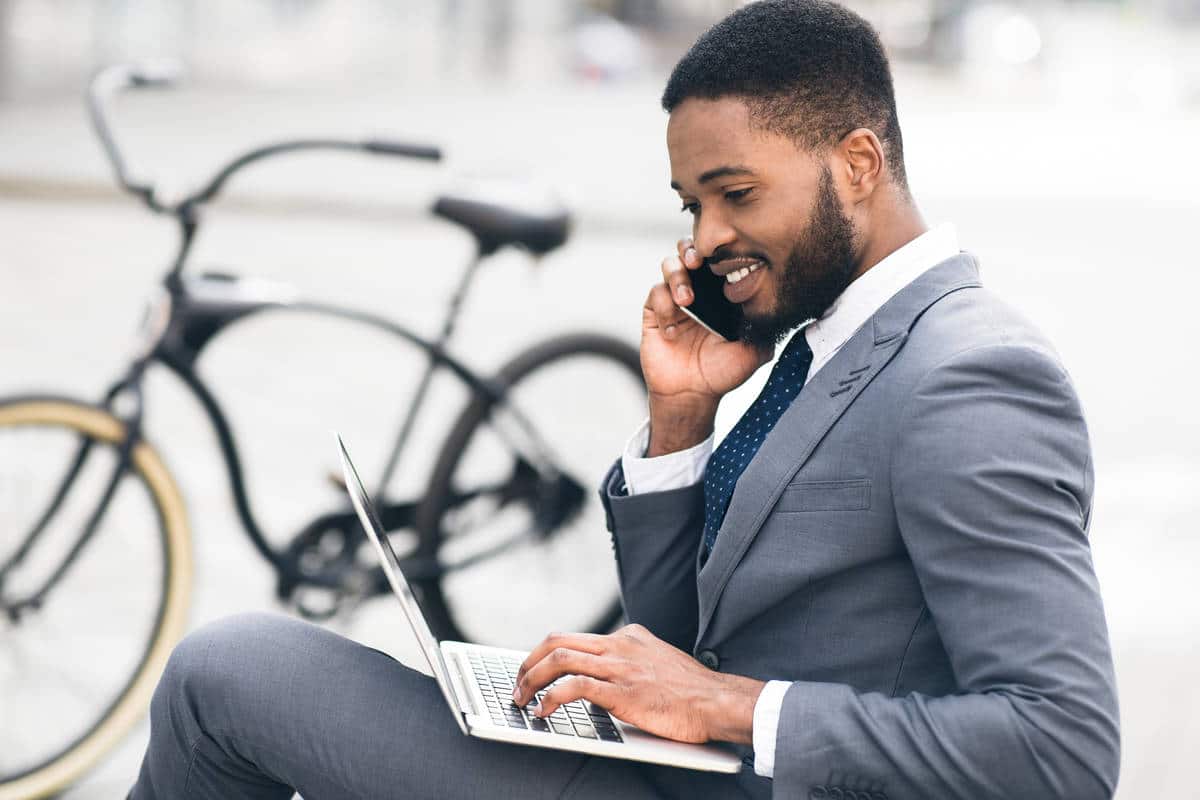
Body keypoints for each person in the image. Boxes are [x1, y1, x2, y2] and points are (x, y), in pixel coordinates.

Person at [129, 2, 1120, 798]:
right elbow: (689, 643)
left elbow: (1063, 748)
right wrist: (682, 417)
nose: (707, 236)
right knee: (238, 672)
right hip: (660, 764)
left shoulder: (971, 375)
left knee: (228, 672)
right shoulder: (822, 337)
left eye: (737, 193)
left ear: (856, 165)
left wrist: (728, 705)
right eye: (693, 203)